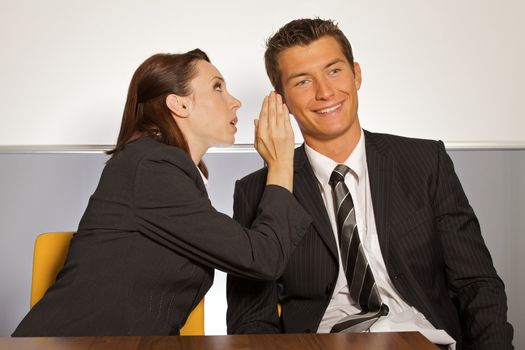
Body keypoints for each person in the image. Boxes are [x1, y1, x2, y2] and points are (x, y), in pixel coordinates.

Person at [226, 18, 513, 349]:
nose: (325, 92)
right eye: (303, 82)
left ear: (356, 74)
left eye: (334, 71)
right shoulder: (257, 192)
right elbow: (251, 319)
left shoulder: (424, 161)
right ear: (282, 100)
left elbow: (477, 283)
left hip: (425, 340)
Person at [12, 49, 311, 336]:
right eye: (217, 87)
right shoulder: (151, 167)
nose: (235, 102)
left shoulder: (164, 170)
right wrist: (281, 163)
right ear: (179, 105)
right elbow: (262, 258)